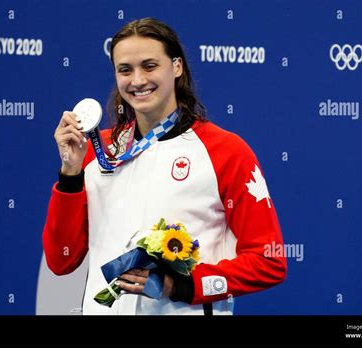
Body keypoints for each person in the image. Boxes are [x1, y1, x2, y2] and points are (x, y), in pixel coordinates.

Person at [43, 17, 287, 315]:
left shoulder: (225, 150)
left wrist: (184, 286)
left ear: (177, 67)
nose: (137, 80)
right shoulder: (97, 150)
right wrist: (70, 172)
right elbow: (61, 261)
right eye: (125, 70)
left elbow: (269, 261)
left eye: (149, 65)